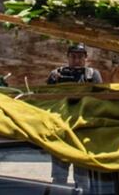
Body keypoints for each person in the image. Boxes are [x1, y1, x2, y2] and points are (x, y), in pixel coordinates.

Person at [46, 43, 102, 189]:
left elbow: (100, 100)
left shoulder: (92, 75)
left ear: (85, 58)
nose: (76, 60)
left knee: (82, 177)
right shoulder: (56, 74)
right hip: (61, 128)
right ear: (68, 57)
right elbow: (47, 99)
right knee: (59, 177)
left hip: (81, 130)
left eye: (80, 57)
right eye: (73, 56)